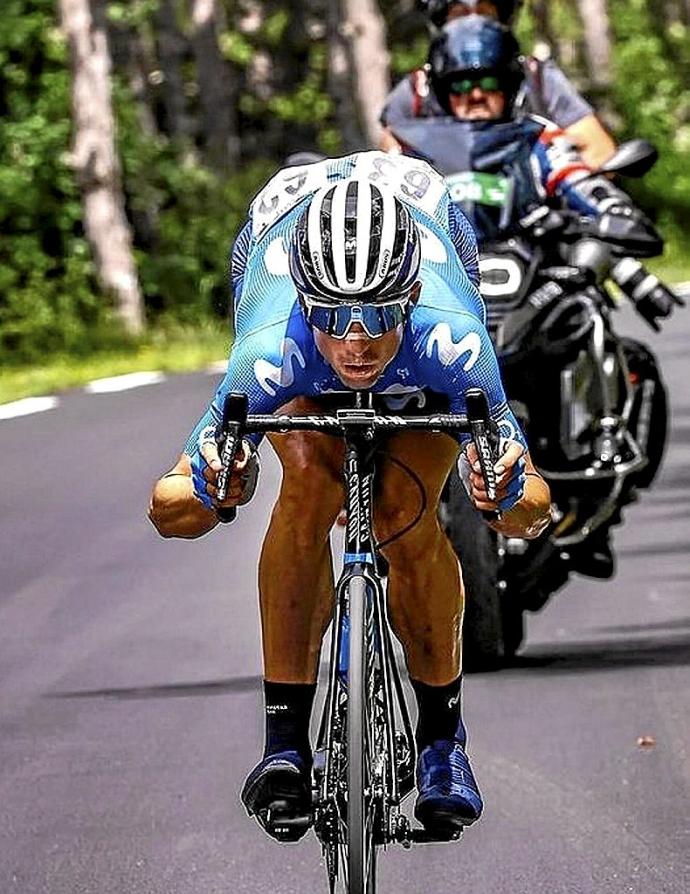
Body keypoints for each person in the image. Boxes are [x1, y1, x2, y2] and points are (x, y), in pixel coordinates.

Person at [149, 151, 552, 841]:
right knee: (306, 485)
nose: (357, 341)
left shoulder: (447, 333)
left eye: (378, 315)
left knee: (405, 511)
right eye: (335, 318)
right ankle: (283, 746)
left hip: (430, 238)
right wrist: (214, 488)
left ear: (410, 298)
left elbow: (533, 508)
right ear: (308, 304)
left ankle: (443, 746)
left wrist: (505, 485)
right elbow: (168, 510)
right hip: (276, 235)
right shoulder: (272, 345)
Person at [388, 15, 681, 578]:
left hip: (533, 277)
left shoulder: (538, 140)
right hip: (446, 292)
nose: (475, 97)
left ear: (511, 86)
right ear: (441, 93)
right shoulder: (409, 157)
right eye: (462, 87)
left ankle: (601, 446)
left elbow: (581, 178)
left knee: (591, 316)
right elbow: (373, 205)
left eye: (488, 85)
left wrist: (610, 209)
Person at [381, 2, 616, 167]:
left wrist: (554, 166)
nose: (475, 94)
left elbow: (599, 151)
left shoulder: (536, 77)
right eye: (460, 15)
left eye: (484, 13)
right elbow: (388, 163)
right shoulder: (417, 89)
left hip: (534, 222)